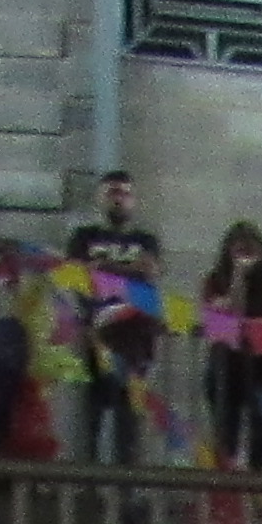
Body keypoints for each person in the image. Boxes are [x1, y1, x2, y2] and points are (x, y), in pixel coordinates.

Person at [68, 170, 168, 464]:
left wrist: (105, 269)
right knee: (91, 415)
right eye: (113, 192)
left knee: (130, 418)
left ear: (134, 200)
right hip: (94, 335)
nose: (119, 199)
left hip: (135, 340)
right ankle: (86, 487)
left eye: (125, 193)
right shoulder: (84, 237)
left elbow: (151, 271)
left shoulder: (145, 239)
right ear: (100, 198)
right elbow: (78, 275)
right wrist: (128, 271)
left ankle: (128, 494)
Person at [198, 222, 262, 470]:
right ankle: (227, 496)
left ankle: (255, 482)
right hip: (225, 368)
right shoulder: (214, 281)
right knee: (226, 437)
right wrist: (238, 274)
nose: (246, 255)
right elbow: (230, 311)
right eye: (239, 248)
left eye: (251, 249)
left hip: (259, 371)